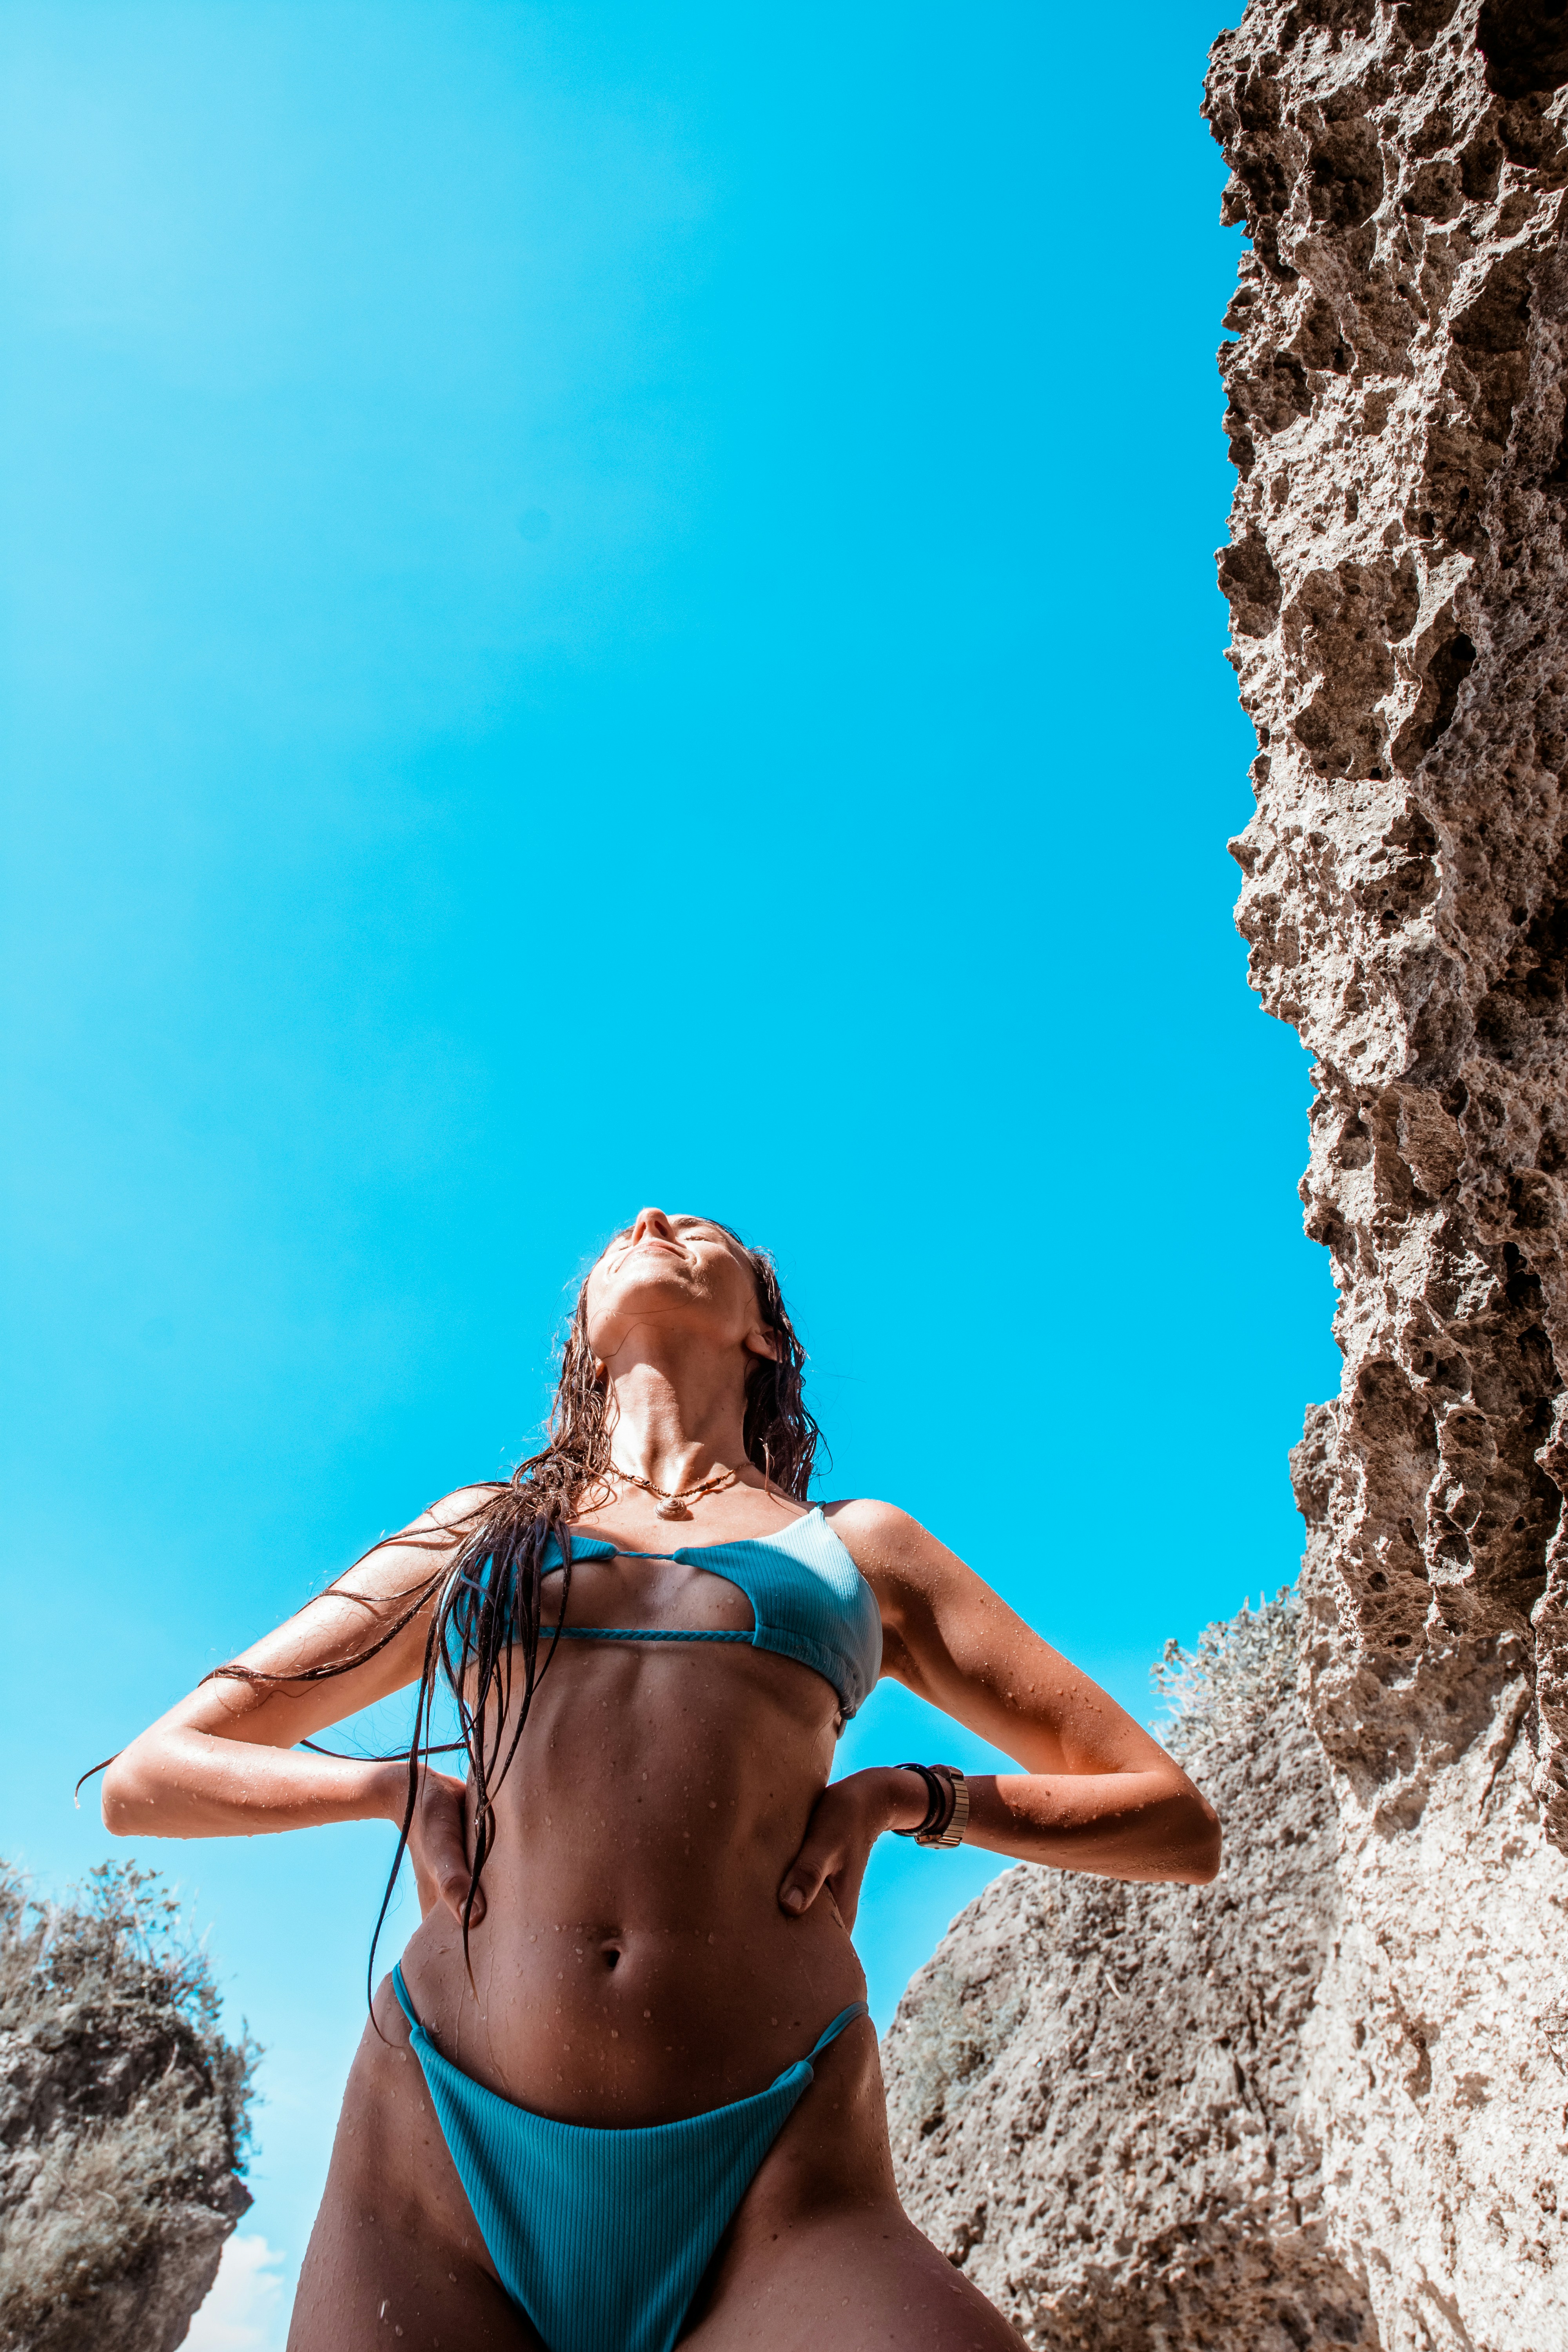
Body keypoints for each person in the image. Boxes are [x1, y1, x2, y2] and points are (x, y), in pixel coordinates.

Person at [103, 1206, 1221, 2352]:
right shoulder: (477, 1536)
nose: (651, 1220)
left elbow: (1176, 1821)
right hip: (441, 2153)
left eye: (703, 1232)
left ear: (766, 1341)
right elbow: (150, 1777)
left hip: (780, 2178)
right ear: (585, 1339)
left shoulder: (858, 1549)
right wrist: (384, 1789)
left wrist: (913, 1797)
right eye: (631, 1234)